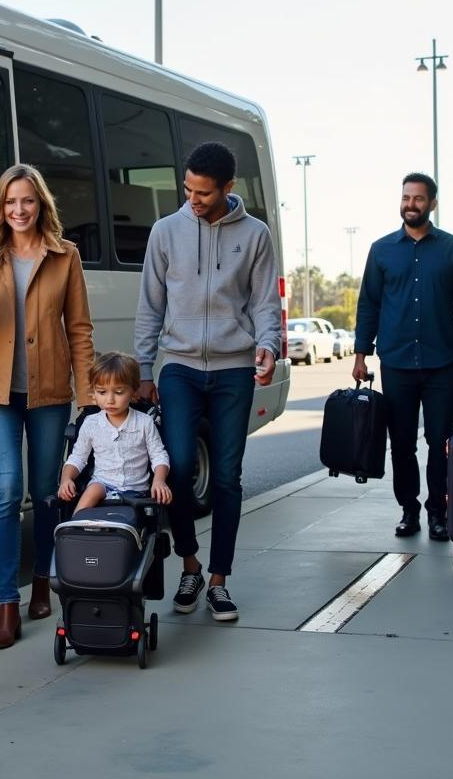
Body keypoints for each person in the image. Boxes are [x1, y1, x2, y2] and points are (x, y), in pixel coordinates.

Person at [0, 164, 94, 649]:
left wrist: (90, 399)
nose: (19, 210)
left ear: (40, 204)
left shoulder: (64, 256)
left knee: (48, 492)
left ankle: (43, 579)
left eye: (27, 200)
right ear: (1, 207)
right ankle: (7, 603)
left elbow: (79, 330)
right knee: (8, 491)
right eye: (11, 202)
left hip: (49, 391)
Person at [135, 141, 281, 622]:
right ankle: (191, 563)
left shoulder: (255, 235)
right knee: (175, 469)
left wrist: (269, 344)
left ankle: (218, 579)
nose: (193, 199)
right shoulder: (166, 231)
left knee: (226, 477)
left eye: (203, 192)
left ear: (227, 189)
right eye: (188, 189)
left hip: (234, 368)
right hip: (178, 366)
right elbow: (151, 305)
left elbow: (264, 302)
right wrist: (142, 369)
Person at [353, 172, 453, 542]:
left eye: (417, 198)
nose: (410, 204)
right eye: (405, 198)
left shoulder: (452, 249)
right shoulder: (382, 250)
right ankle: (409, 509)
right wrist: (360, 353)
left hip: (441, 362)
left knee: (440, 439)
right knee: (400, 442)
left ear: (432, 203)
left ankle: (438, 512)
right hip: (396, 362)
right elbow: (369, 303)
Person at [57, 351, 172, 513]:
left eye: (118, 392)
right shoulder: (91, 423)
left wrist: (159, 481)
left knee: (135, 516)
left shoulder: (144, 422)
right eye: (102, 392)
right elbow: (78, 458)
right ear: (94, 394)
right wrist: (66, 480)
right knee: (93, 489)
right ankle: (76, 527)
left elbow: (158, 456)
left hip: (136, 489)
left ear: (133, 392)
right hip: (103, 484)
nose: (110, 399)